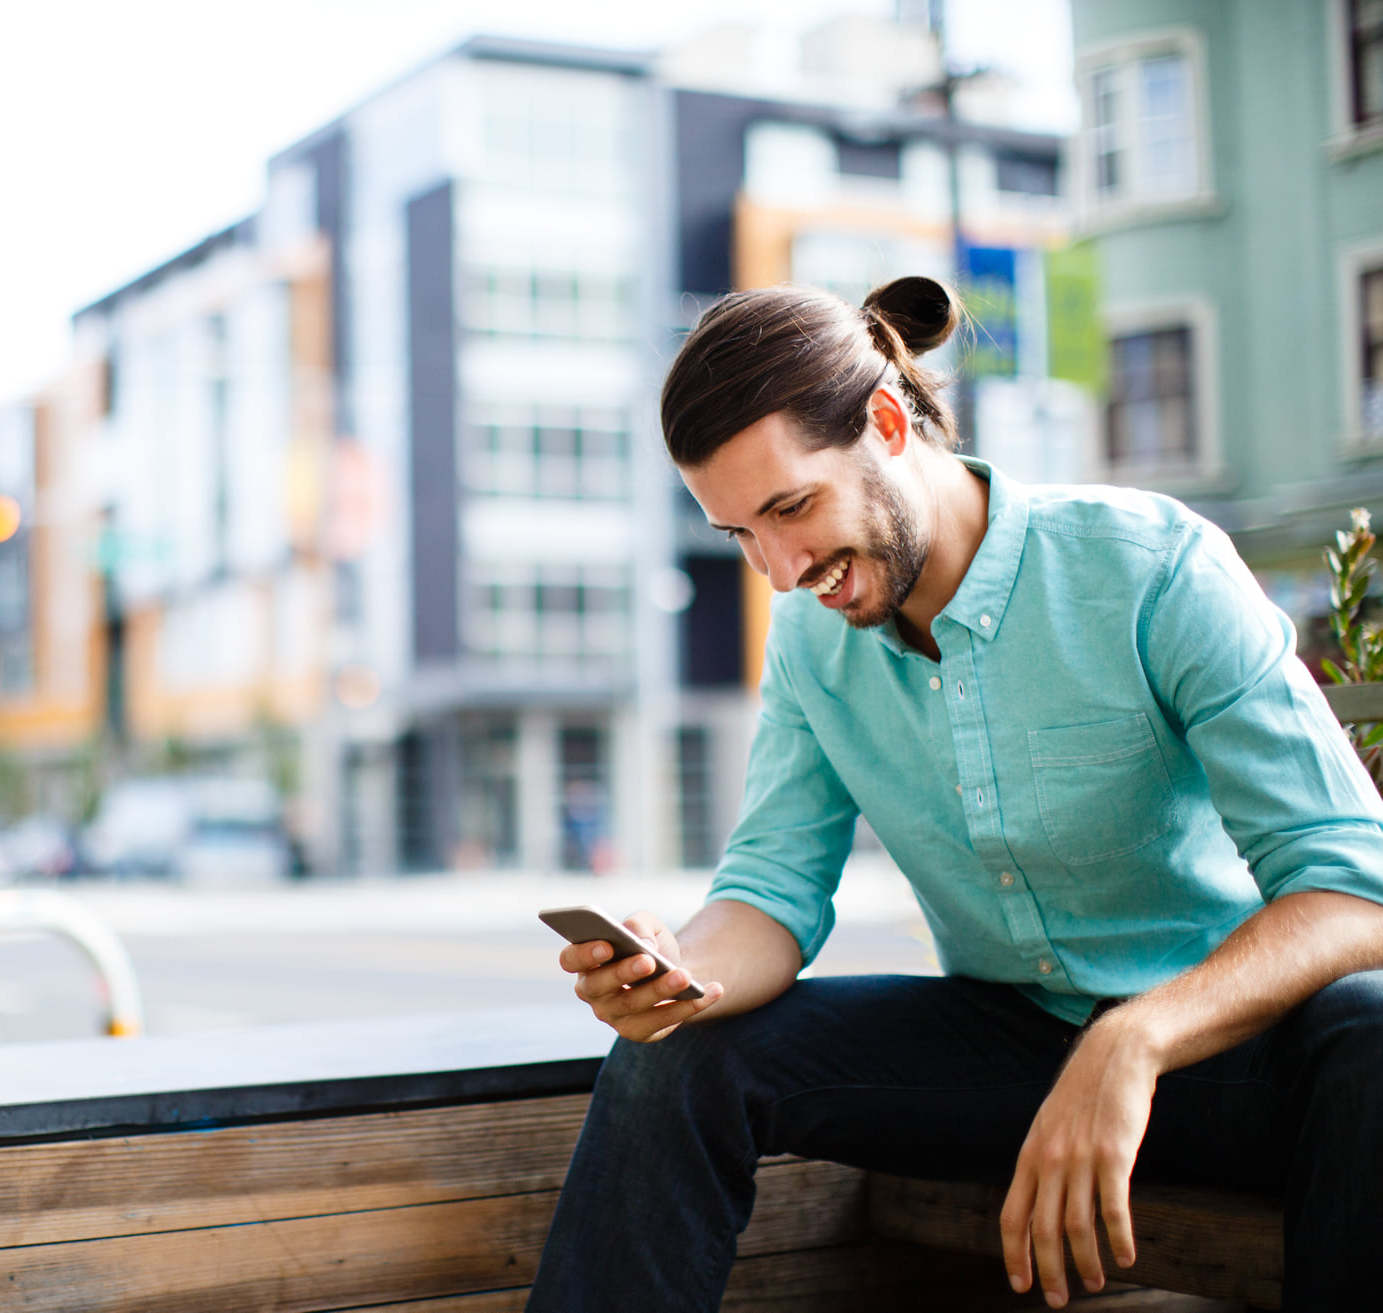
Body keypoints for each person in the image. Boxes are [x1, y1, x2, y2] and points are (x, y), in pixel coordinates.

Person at [527, 276, 1383, 1312]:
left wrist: (1134, 1037)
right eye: (740, 534)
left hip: (1229, 1059)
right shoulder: (810, 639)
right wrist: (680, 973)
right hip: (1006, 1051)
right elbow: (771, 888)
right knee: (675, 1059)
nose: (781, 568)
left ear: (887, 422)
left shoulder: (1151, 567)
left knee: (1372, 1020)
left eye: (791, 507)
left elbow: (1352, 886)